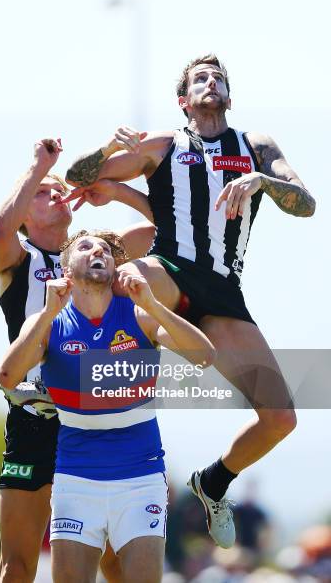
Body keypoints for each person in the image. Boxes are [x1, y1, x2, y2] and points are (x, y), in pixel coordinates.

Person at [64, 54, 316, 549]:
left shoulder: (255, 146)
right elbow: (78, 175)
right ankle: (83, 382)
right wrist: (114, 148)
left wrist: (263, 180)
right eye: (200, 79)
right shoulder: (164, 145)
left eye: (218, 78)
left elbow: (305, 203)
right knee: (125, 282)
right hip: (170, 268)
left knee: (281, 417)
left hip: (222, 290)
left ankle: (214, 482)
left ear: (228, 96)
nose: (211, 83)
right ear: (184, 100)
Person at [0, 230, 215, 583]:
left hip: (140, 478)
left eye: (105, 251)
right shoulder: (50, 325)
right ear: (66, 271)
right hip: (76, 479)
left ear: (114, 270)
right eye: (85, 247)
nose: (98, 250)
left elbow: (205, 356)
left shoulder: (139, 316)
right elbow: (7, 376)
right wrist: (48, 311)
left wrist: (153, 304)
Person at [0, 138, 156, 582]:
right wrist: (40, 167)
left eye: (58, 189)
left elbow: (165, 232)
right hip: (33, 417)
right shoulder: (19, 261)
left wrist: (112, 188)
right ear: (24, 212)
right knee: (17, 568)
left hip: (91, 419)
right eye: (42, 193)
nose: (54, 194)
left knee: (117, 565)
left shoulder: (96, 254)